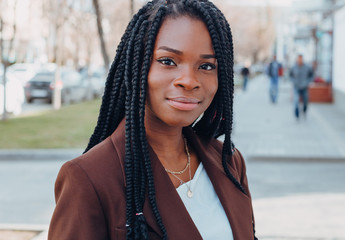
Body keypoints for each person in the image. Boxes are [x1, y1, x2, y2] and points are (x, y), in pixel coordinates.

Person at [48, 0, 257, 239]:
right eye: (168, 61)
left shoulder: (229, 162)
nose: (189, 80)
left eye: (206, 66)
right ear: (136, 66)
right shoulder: (89, 179)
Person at [289, 54, 313, 119]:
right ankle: (296, 112)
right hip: (296, 87)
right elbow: (290, 76)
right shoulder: (294, 67)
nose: (299, 60)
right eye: (298, 59)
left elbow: (311, 76)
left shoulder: (307, 67)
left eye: (301, 59)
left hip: (304, 87)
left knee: (305, 101)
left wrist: (307, 82)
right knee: (296, 101)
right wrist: (293, 81)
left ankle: (304, 110)